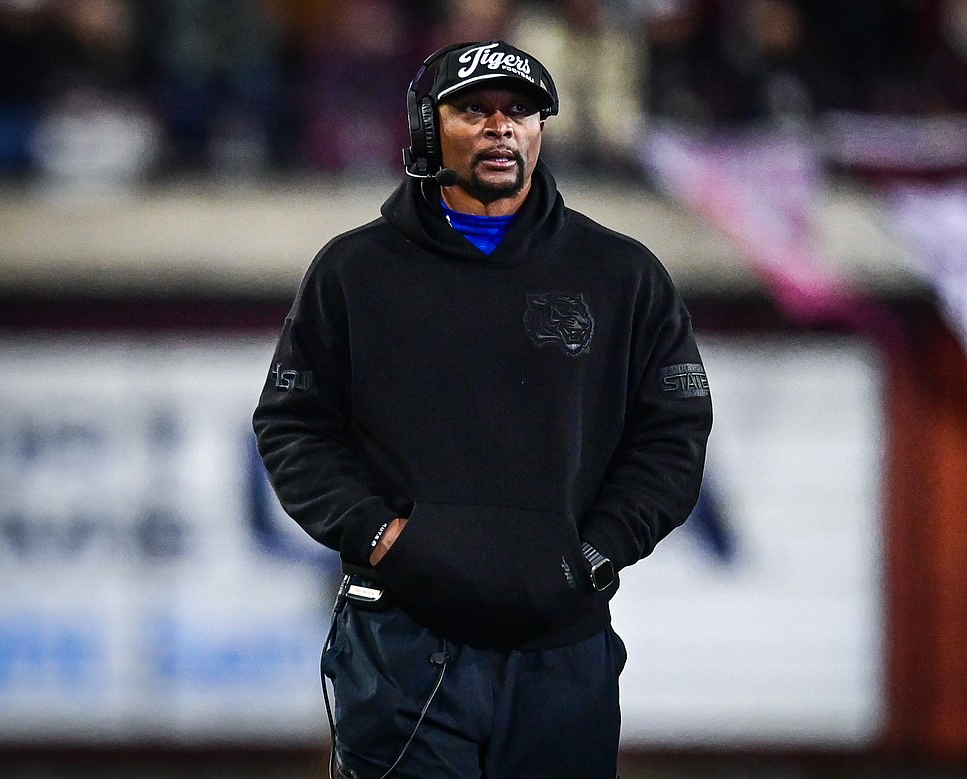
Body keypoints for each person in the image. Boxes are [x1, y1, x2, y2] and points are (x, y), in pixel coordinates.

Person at [252, 39, 712, 779]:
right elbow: (293, 425)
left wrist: (592, 555)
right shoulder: (355, 271)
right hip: (403, 640)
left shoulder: (622, 274)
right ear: (428, 128)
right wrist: (382, 535)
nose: (502, 127)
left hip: (562, 652)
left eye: (521, 111)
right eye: (475, 109)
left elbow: (673, 438)